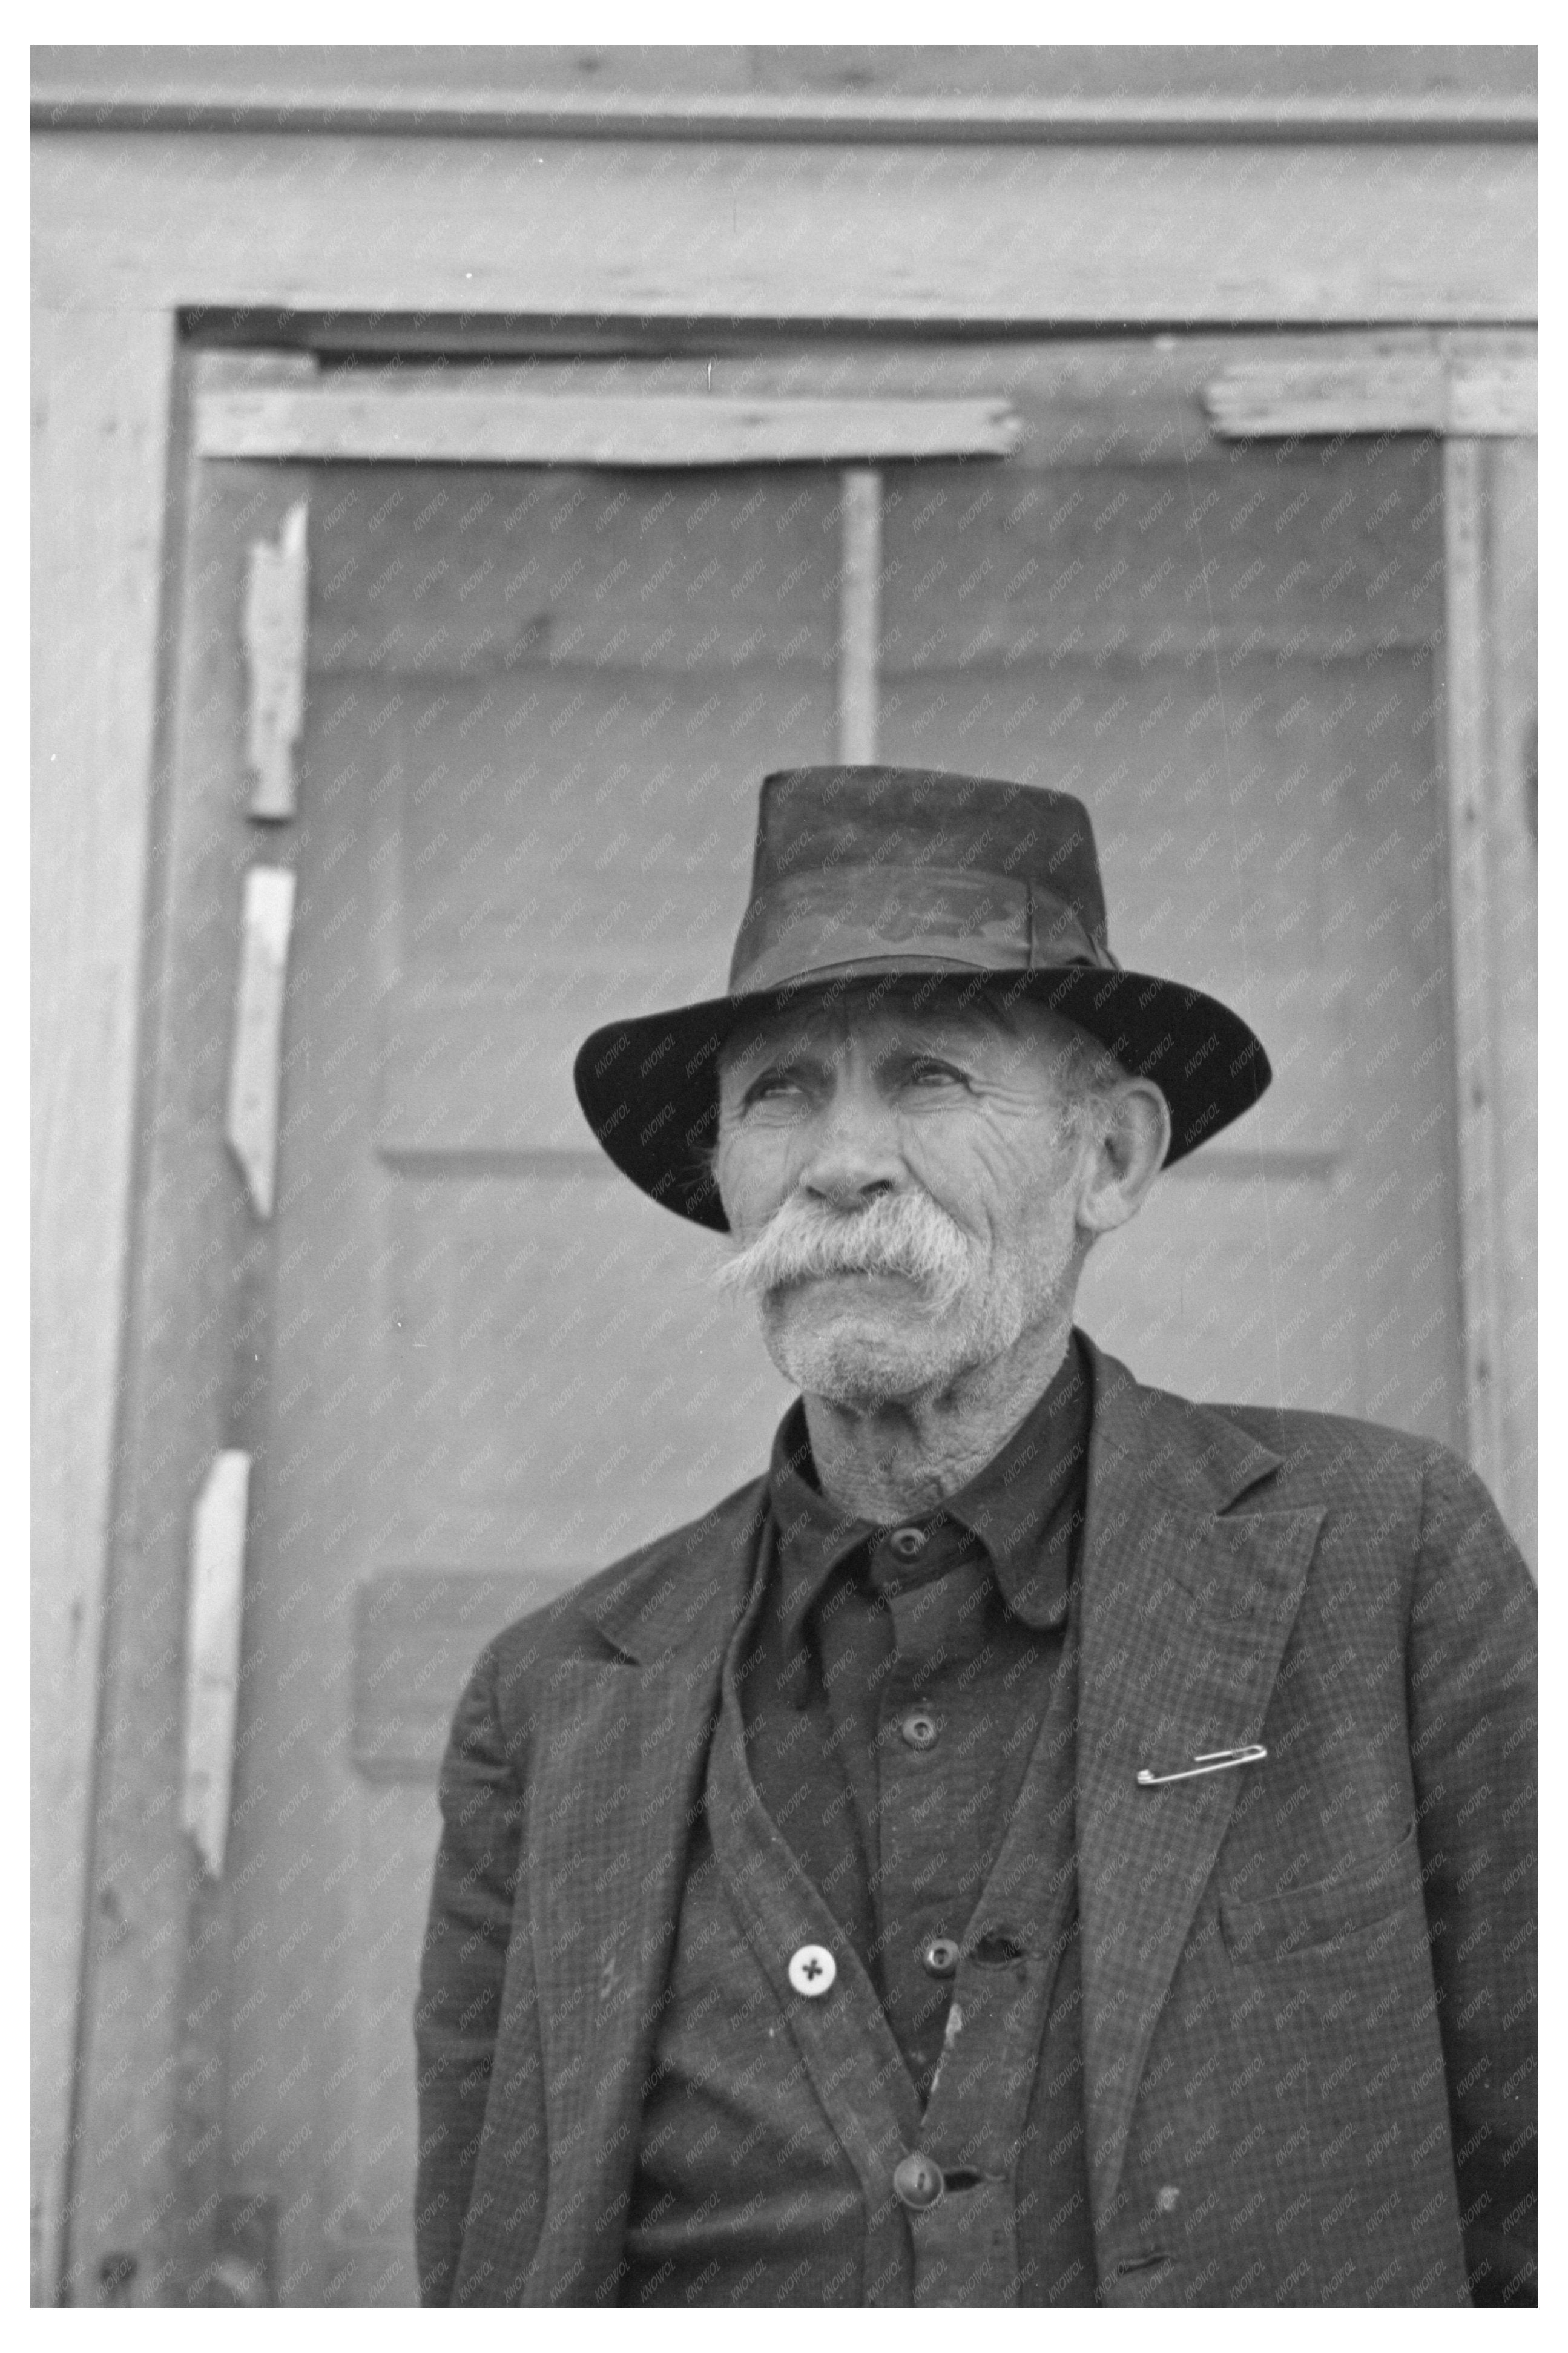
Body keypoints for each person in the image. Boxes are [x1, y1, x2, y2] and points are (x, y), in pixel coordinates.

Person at [413, 766, 1536, 2308]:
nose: (842, 1160)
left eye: (929, 1076)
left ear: (1111, 1162)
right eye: (780, 1092)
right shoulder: (544, 1704)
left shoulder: (1386, 1570)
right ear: (724, 1180)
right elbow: (484, 2273)